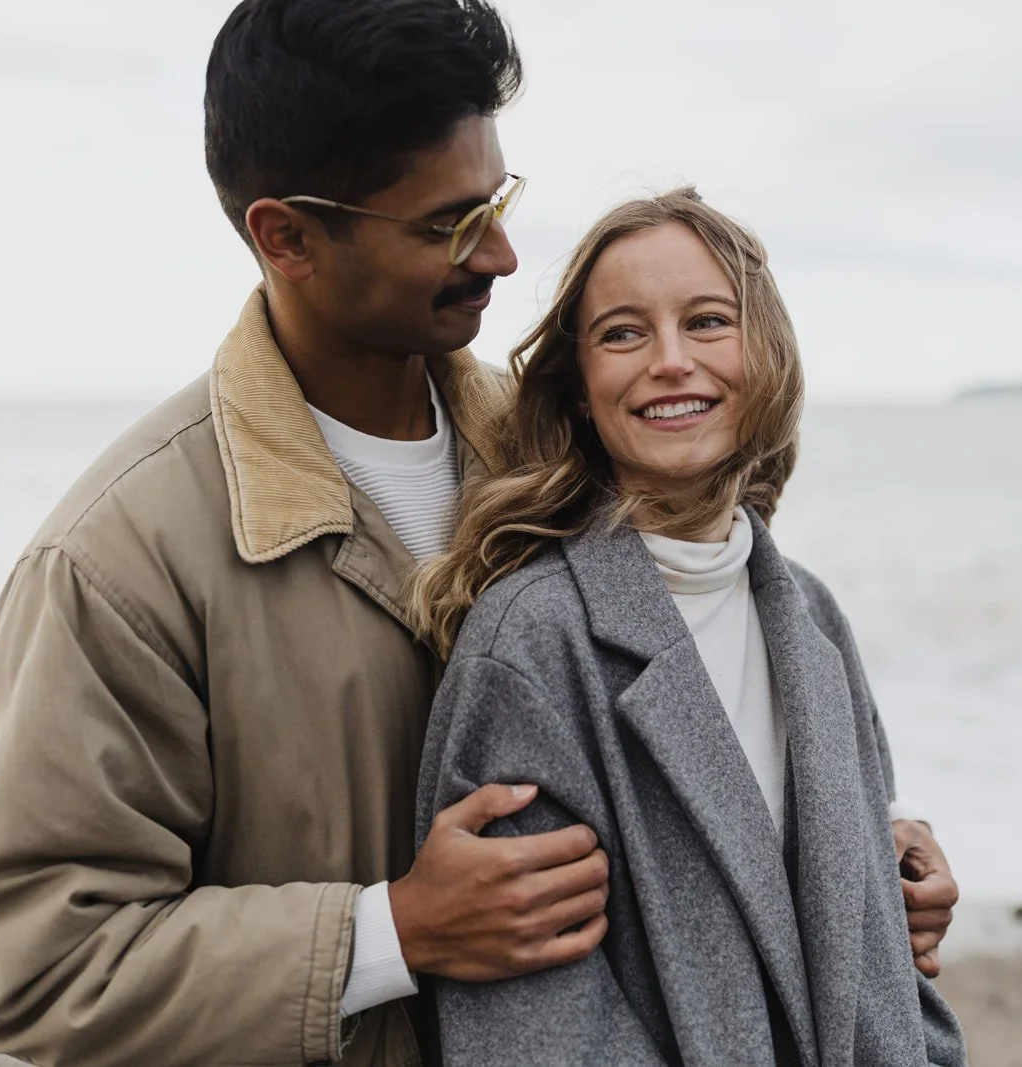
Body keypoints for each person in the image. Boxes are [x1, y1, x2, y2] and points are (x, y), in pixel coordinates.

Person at [0, 1, 958, 1064]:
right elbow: (38, 968)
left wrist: (854, 855)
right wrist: (392, 931)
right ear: (286, 235)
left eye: (497, 201)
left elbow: (717, 713)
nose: (506, 256)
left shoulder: (562, 457)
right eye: (446, 226)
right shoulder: (119, 560)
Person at [410, 189, 967, 1066]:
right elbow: (533, 1020)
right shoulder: (533, 640)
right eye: (624, 333)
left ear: (767, 355)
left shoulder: (811, 614)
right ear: (583, 389)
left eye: (707, 321)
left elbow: (883, 951)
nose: (671, 361)